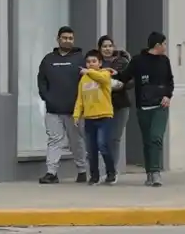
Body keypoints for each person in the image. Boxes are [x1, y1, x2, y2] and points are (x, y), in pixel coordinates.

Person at [116, 31, 175, 186]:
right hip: (143, 107)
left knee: (156, 137)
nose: (165, 47)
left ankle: (155, 172)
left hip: (160, 106)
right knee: (148, 140)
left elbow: (170, 81)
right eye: (164, 44)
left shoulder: (165, 61)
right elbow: (124, 76)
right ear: (157, 45)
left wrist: (168, 95)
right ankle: (149, 172)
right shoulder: (138, 61)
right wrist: (109, 74)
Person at [37, 26, 88, 184]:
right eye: (64, 38)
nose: (67, 40)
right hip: (53, 109)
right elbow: (41, 80)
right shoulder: (48, 59)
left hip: (74, 110)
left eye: (70, 38)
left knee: (76, 141)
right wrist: (46, 97)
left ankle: (82, 170)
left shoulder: (81, 59)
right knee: (54, 140)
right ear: (58, 39)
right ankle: (51, 172)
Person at [73, 49, 117, 185]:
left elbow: (102, 79)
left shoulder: (104, 74)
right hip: (89, 118)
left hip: (104, 117)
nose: (91, 64)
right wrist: (76, 114)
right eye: (88, 62)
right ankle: (94, 176)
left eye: (94, 61)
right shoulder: (83, 80)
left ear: (100, 63)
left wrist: (89, 72)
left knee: (103, 145)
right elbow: (80, 99)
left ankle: (111, 173)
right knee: (91, 149)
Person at [98, 35, 130, 169]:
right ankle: (102, 169)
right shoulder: (96, 63)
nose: (107, 49)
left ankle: (112, 170)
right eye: (104, 46)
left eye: (110, 46)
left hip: (120, 104)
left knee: (114, 139)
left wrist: (122, 84)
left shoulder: (123, 62)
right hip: (101, 105)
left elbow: (132, 80)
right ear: (99, 49)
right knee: (102, 140)